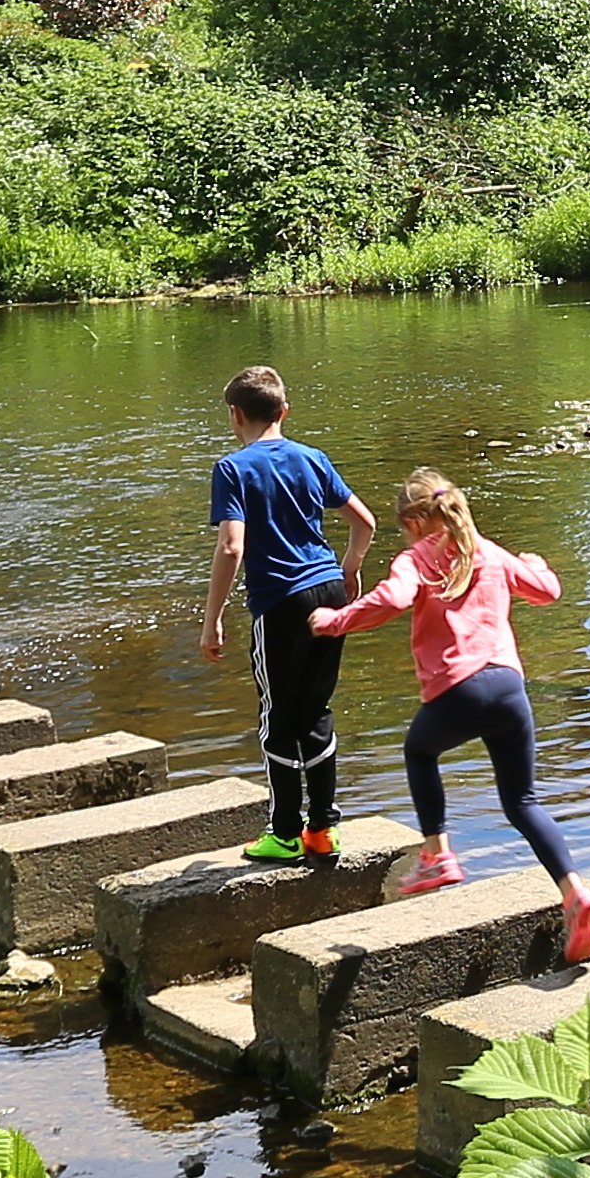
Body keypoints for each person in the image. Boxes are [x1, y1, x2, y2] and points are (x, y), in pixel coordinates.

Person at [321, 469, 590, 956]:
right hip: (508, 688)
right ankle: (575, 892)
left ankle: (437, 854)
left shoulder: (416, 558)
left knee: (419, 751)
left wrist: (335, 622)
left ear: (416, 522)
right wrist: (536, 564)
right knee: (522, 801)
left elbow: (393, 599)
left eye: (401, 526)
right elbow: (547, 592)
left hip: (459, 688)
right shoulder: (490, 551)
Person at [198, 365, 375, 860]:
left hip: (281, 603)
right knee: (315, 711)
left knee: (277, 717)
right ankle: (321, 829)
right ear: (284, 411)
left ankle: (283, 833)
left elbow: (232, 547)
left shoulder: (233, 468)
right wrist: (350, 569)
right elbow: (365, 522)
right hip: (329, 593)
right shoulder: (312, 458)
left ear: (235, 415)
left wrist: (212, 618)